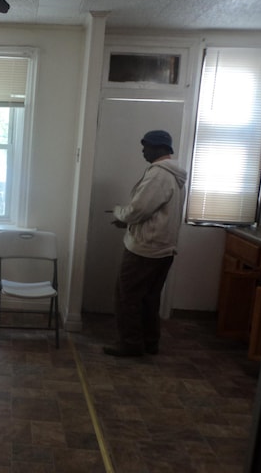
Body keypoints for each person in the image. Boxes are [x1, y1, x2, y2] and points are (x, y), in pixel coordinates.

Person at [103, 130, 188, 357]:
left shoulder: (159, 175)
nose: (143, 151)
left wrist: (119, 213)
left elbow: (138, 209)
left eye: (146, 146)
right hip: (163, 248)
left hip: (145, 249)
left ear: (160, 148)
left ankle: (130, 344)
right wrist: (130, 222)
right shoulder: (174, 175)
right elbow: (156, 212)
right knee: (149, 299)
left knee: (127, 296)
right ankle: (150, 342)